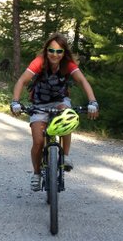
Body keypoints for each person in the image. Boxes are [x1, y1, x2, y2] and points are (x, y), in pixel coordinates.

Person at [10, 33, 99, 191]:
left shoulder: (68, 64)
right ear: (46, 51)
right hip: (39, 104)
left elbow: (82, 81)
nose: (55, 54)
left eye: (59, 51)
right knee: (38, 141)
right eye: (51, 50)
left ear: (64, 53)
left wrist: (92, 101)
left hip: (60, 101)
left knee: (67, 114)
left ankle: (65, 156)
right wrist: (15, 101)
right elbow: (22, 81)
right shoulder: (40, 62)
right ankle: (37, 174)